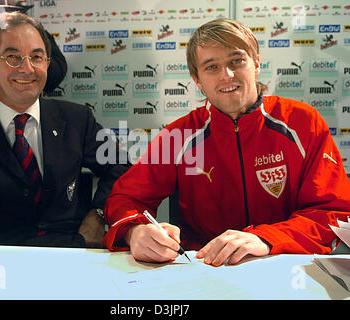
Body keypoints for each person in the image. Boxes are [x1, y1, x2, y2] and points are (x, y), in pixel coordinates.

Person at [103, 18, 350, 266]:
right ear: (197, 79)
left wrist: (266, 239)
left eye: (236, 61)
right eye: (211, 67)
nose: (227, 75)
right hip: (203, 269)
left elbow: (334, 212)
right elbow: (125, 200)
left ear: (255, 64)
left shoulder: (302, 122)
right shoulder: (178, 135)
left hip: (286, 264)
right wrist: (135, 232)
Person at [0, 11, 130, 247]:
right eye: (12, 57)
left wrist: (98, 214)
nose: (27, 68)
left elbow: (121, 167)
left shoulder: (77, 119)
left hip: (70, 253)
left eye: (36, 57)